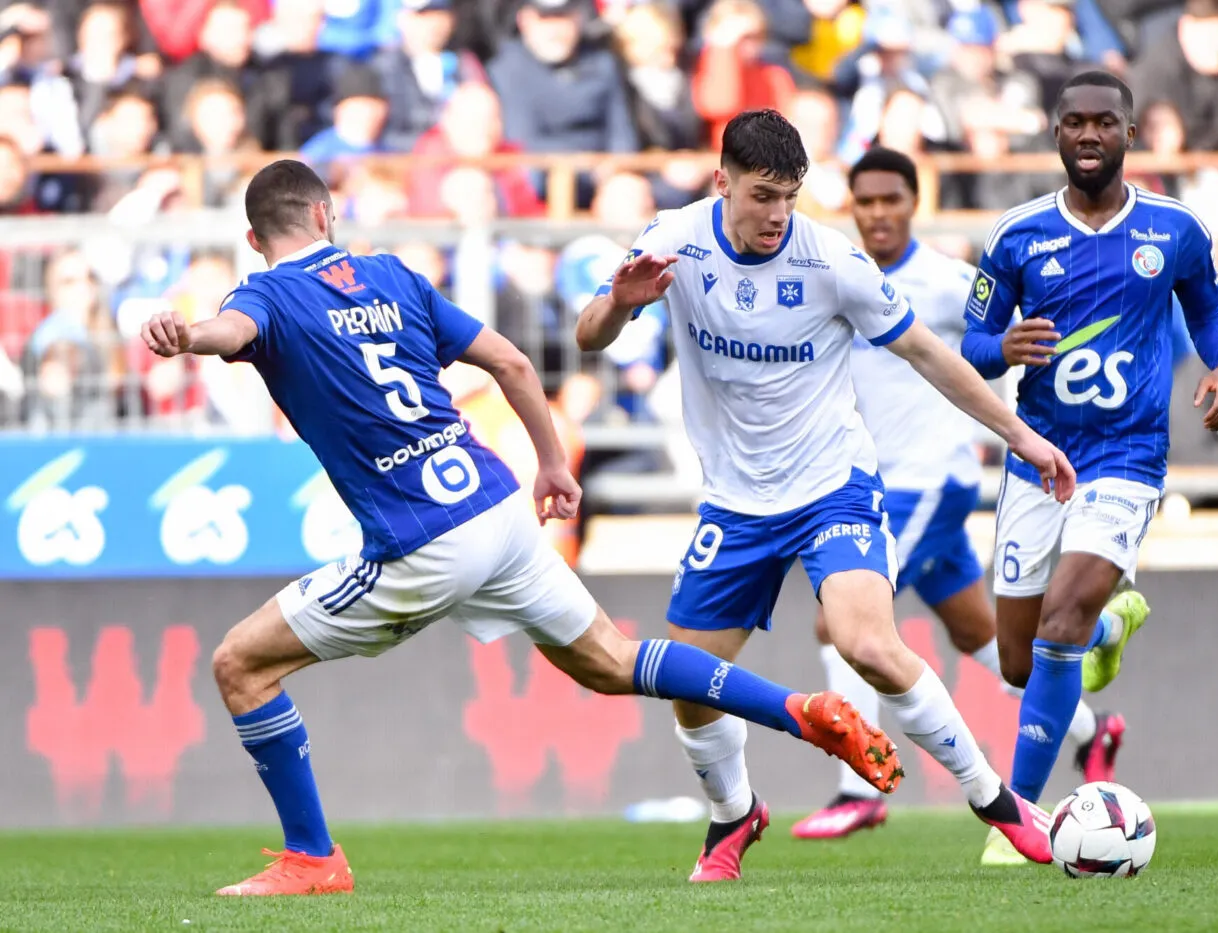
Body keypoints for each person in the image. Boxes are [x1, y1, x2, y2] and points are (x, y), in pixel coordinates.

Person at [139, 159, 902, 897]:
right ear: (323, 215)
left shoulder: (266, 293)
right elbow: (511, 364)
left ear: (255, 239)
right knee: (612, 659)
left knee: (241, 664)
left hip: (422, 541)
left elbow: (232, 329)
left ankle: (312, 857)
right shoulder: (393, 276)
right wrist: (550, 465)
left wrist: (189, 334)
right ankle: (797, 710)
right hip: (499, 508)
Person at [575, 109, 1076, 881]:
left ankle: (997, 801)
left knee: (867, 642)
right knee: (689, 686)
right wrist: (618, 302)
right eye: (762, 195)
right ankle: (734, 814)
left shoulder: (831, 261)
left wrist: (1021, 434)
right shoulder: (672, 238)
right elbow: (587, 337)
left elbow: (927, 352)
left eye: (791, 196)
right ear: (723, 183)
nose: (778, 214)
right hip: (735, 503)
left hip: (833, 485)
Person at [790, 147, 1128, 845]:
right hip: (876, 482)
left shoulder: (947, 282)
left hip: (924, 481)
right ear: (851, 207)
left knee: (839, 623)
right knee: (978, 634)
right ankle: (1094, 730)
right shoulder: (839, 278)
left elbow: (1011, 333)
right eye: (867, 201)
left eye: (892, 200)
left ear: (917, 202)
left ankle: (860, 788)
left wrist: (1014, 357)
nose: (879, 213)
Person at [960, 71, 1218, 864]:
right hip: (1039, 457)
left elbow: (1206, 307)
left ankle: (1014, 823)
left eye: (1105, 123)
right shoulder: (1015, 235)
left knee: (1059, 622)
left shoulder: (1174, 228)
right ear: (1054, 133)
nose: (1090, 135)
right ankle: (1112, 624)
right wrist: (1002, 348)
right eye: (1074, 122)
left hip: (1127, 455)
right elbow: (971, 345)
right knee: (1018, 660)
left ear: (1129, 134)